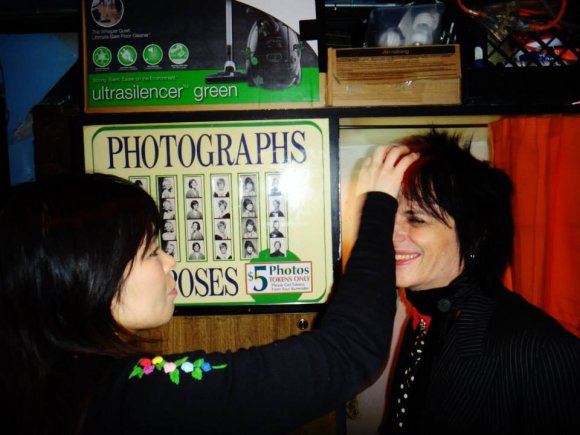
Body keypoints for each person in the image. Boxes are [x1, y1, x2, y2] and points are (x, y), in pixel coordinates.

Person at [0, 150, 415, 434]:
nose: (170, 262)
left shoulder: (52, 383)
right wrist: (378, 207)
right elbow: (348, 353)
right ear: (89, 276)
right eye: (150, 251)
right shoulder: (131, 396)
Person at [373, 130, 579, 434]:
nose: (390, 235)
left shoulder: (541, 351)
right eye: (389, 215)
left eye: (415, 218)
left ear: (474, 235)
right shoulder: (425, 320)